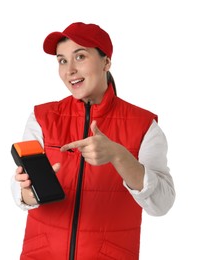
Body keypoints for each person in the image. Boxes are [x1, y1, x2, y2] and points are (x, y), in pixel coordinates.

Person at [11, 22, 175, 260]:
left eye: (80, 56)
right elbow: (20, 190)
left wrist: (119, 156)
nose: (69, 70)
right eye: (62, 60)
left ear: (106, 62)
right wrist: (28, 192)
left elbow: (162, 204)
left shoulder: (144, 125)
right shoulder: (42, 117)